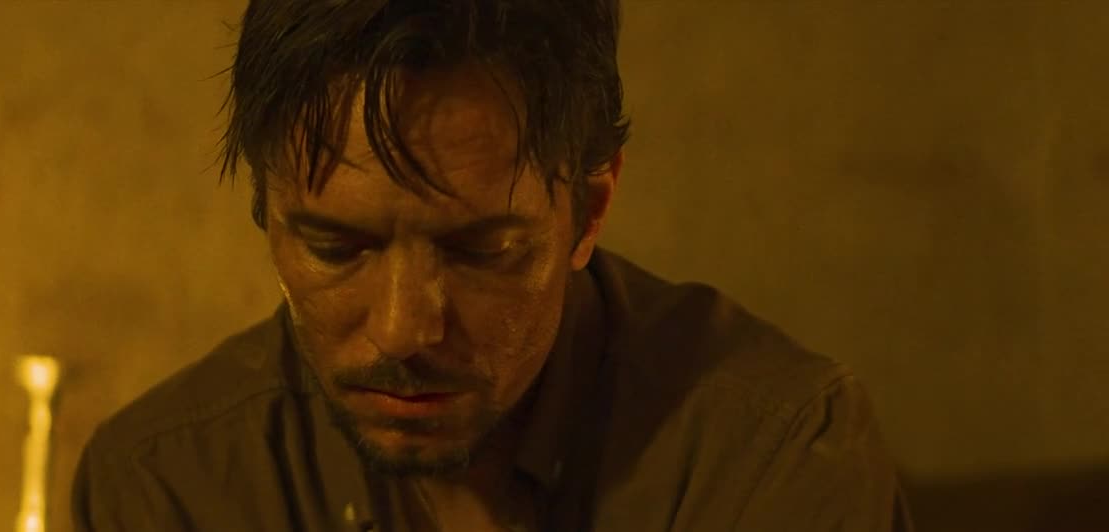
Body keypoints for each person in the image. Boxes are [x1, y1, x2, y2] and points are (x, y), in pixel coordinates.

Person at [72, 1, 914, 530]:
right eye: (336, 247)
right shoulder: (167, 488)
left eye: (481, 251)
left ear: (589, 208)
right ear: (264, 208)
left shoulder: (770, 454)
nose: (403, 328)